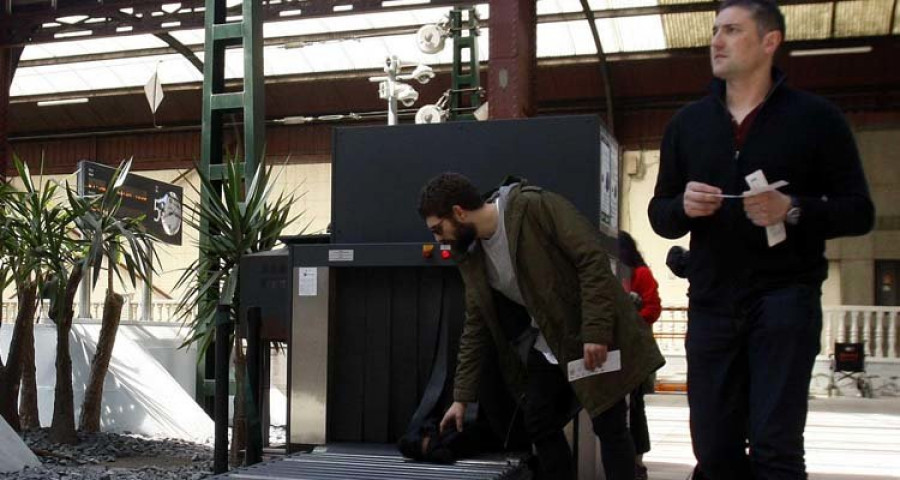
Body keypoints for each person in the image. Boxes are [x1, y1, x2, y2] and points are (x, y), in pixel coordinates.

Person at [648, 0, 875, 478]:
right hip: (712, 301)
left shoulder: (818, 118)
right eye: (715, 31)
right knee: (713, 451)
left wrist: (792, 209)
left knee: (775, 448)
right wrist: (682, 206)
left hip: (785, 297)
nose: (716, 41)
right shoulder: (687, 125)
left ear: (770, 42)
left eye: (731, 30)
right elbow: (660, 215)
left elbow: (860, 212)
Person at [418, 173, 665, 480]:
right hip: (548, 342)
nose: (438, 239)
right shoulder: (472, 255)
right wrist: (461, 397)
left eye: (438, 229)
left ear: (458, 212)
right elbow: (476, 323)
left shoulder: (533, 207)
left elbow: (591, 260)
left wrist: (596, 332)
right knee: (538, 419)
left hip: (586, 332)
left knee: (609, 424)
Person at [618, 231, 661, 480]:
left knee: (635, 408)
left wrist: (631, 321)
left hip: (635, 350)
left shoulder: (640, 273)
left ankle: (637, 462)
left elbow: (653, 308)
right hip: (617, 349)